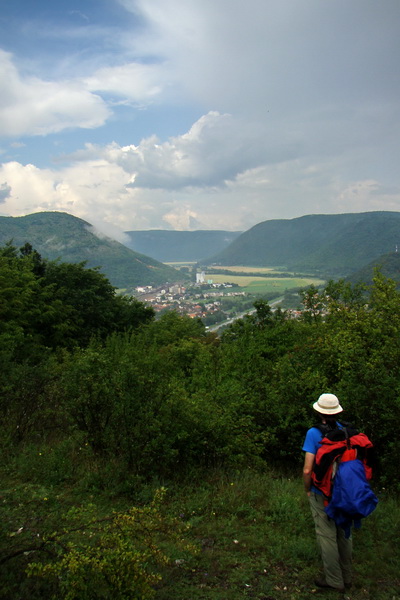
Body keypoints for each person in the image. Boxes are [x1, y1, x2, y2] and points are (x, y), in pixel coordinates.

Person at [302, 393, 352, 593]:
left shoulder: (314, 433)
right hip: (345, 491)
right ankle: (347, 577)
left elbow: (308, 468)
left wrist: (308, 490)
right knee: (344, 534)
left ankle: (334, 580)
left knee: (327, 535)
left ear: (318, 411)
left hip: (321, 491)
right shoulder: (346, 431)